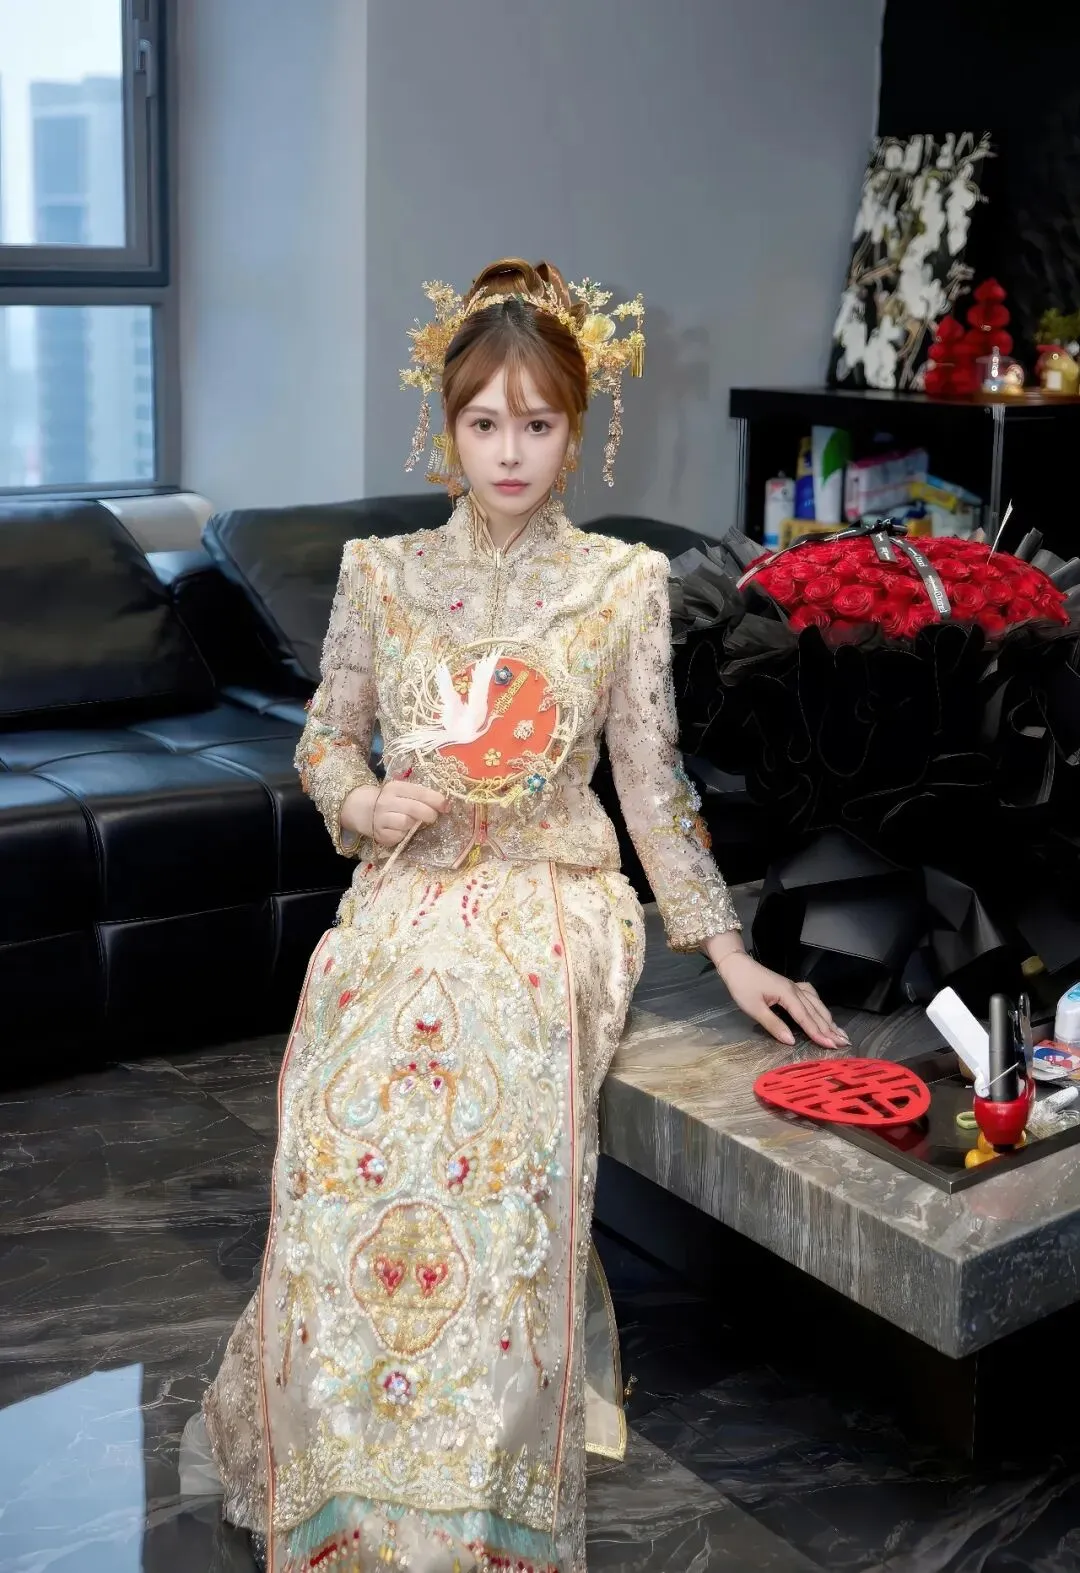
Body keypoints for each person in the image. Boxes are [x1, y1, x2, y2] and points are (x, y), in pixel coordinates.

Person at [196, 259, 846, 1573]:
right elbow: (324, 741)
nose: (509, 452)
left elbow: (652, 785)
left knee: (492, 1082)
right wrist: (361, 799)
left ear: (578, 428)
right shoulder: (381, 573)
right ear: (447, 426)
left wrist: (727, 951)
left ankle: (480, 1478)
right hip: (410, 883)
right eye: (484, 422)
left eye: (537, 423)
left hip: (553, 892)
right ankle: (337, 1457)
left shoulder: (621, 585)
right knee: (343, 1068)